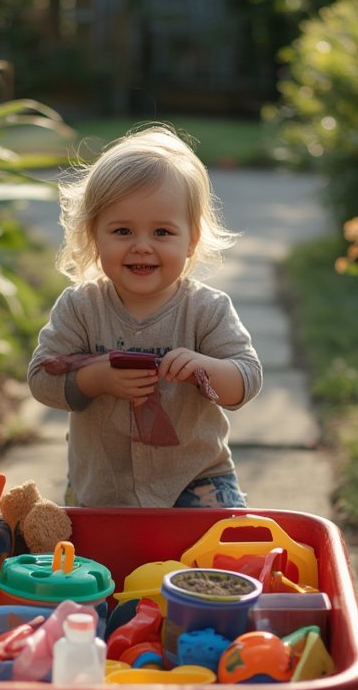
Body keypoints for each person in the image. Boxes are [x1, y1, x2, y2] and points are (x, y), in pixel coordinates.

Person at [27, 124, 262, 508]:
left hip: (196, 481)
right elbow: (41, 378)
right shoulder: (80, 308)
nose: (142, 246)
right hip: (103, 486)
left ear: (191, 240)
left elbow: (246, 379)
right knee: (95, 550)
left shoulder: (206, 310)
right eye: (122, 231)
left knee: (219, 544)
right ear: (94, 236)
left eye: (162, 232)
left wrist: (205, 368)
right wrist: (96, 379)